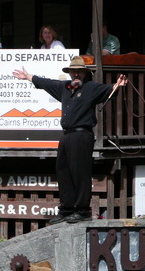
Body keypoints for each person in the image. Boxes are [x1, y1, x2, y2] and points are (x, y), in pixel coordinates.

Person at [11, 57, 127, 224]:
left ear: (84, 74)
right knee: (63, 172)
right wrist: (28, 77)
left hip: (82, 135)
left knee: (80, 172)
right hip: (66, 135)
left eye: (79, 71)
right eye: (73, 71)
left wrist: (118, 85)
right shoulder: (64, 88)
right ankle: (66, 209)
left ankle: (82, 211)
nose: (76, 74)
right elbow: (46, 82)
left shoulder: (91, 88)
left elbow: (110, 90)